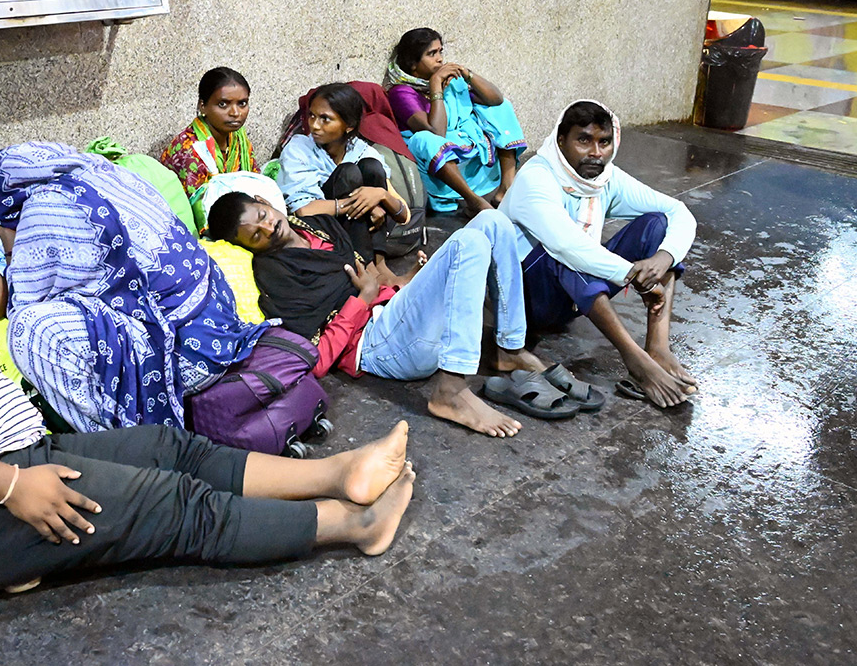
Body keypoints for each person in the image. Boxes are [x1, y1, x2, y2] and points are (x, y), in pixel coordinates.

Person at [0, 172, 417, 609]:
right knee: (174, 506)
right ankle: (351, 523)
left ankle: (338, 473)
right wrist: (13, 488)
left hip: (18, 457)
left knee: (173, 448)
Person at [208, 193, 591, 438]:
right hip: (378, 346)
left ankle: (509, 348)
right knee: (468, 241)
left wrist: (404, 283)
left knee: (492, 221)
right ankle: (450, 391)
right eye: (254, 235)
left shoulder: (316, 225)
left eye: (261, 214)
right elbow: (318, 359)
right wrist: (363, 298)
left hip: (396, 316)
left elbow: (371, 269)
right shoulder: (275, 273)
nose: (267, 227)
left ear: (265, 200)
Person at [0, 142, 270, 434]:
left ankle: (124, 444)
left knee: (29, 331)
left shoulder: (45, 209)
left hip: (185, 361)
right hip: (222, 328)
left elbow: (19, 300)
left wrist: (9, 244)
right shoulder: (107, 172)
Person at [499, 100, 699, 408]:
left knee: (657, 225)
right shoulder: (537, 177)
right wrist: (633, 274)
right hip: (525, 300)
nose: (596, 152)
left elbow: (678, 212)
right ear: (561, 140)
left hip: (573, 296)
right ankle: (636, 361)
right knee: (565, 251)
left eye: (604, 142)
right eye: (584, 140)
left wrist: (663, 259)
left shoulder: (605, 179)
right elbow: (567, 245)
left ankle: (657, 347)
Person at [277, 83, 411, 284]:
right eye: (312, 116)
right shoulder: (299, 148)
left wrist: (379, 196)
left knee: (372, 167)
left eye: (325, 119)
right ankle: (366, 268)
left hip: (359, 232)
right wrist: (361, 203)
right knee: (348, 173)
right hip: (323, 229)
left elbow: (404, 216)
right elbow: (303, 211)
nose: (314, 125)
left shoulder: (361, 150)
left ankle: (379, 264)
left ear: (348, 125)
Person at [385, 28, 526, 214]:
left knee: (501, 107)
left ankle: (506, 186)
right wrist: (436, 85)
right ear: (413, 64)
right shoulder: (401, 93)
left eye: (440, 51)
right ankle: (472, 200)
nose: (440, 59)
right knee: (425, 139)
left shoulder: (448, 80)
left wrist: (468, 74)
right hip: (436, 162)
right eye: (431, 54)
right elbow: (436, 132)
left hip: (462, 143)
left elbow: (496, 100)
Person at [160, 67, 257, 200]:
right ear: (203, 106)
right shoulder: (190, 150)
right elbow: (198, 207)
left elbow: (257, 181)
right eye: (223, 104)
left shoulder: (238, 139)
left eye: (242, 103)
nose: (235, 113)